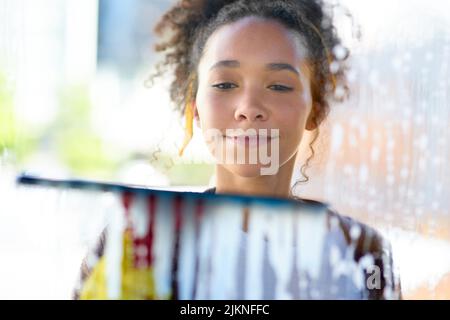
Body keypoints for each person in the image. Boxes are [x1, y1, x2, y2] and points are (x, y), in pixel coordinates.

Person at [75, 0, 401, 299]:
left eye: (279, 86)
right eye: (225, 84)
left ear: (314, 109)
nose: (249, 107)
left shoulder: (358, 252)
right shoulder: (141, 238)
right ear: (195, 109)